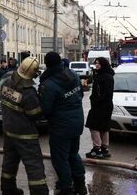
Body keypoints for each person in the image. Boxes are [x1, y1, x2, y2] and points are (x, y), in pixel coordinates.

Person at [39, 52, 87, 195]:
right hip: (77, 122)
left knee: (60, 158)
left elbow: (46, 109)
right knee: (73, 154)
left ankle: (66, 188)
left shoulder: (49, 84)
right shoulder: (73, 74)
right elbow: (81, 95)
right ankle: (80, 185)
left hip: (61, 126)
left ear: (47, 65)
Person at [0, 56, 48, 195]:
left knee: (9, 162)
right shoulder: (28, 92)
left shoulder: (8, 82)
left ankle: (8, 190)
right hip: (25, 135)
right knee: (34, 166)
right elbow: (34, 114)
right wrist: (41, 100)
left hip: (9, 131)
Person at [85, 56, 115, 159]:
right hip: (105, 106)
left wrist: (95, 101)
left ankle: (97, 149)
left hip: (101, 106)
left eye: (98, 63)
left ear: (103, 64)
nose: (96, 65)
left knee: (93, 126)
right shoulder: (105, 75)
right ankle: (104, 148)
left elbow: (104, 94)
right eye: (96, 63)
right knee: (104, 127)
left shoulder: (104, 77)